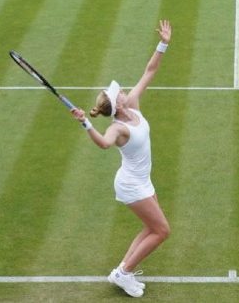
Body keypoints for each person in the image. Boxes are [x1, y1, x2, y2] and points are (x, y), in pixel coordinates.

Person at [71, 20, 173, 299]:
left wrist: (163, 42)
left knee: (152, 228)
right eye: (120, 94)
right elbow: (104, 144)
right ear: (119, 105)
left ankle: (122, 271)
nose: (125, 92)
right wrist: (85, 124)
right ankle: (124, 272)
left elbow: (150, 70)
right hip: (130, 185)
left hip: (141, 180)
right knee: (162, 231)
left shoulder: (134, 106)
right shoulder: (118, 127)